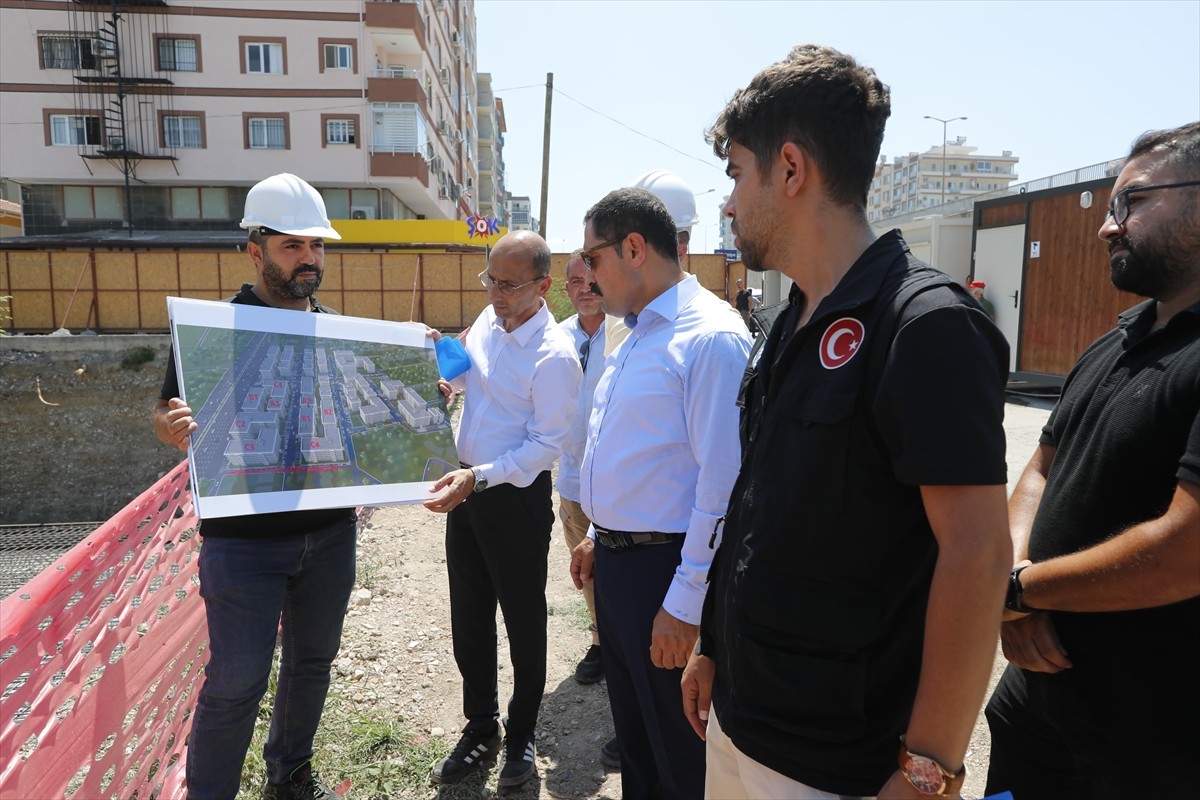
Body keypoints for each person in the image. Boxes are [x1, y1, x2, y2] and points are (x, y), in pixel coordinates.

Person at [681, 44, 1012, 799]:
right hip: (741, 723)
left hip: (835, 764)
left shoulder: (923, 325)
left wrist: (928, 768)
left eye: (736, 174)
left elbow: (978, 555)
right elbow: (758, 505)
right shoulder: (788, 318)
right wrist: (713, 647)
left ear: (791, 170)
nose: (728, 202)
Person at [984, 122, 1200, 798]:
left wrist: (1017, 591)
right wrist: (1016, 591)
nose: (1108, 228)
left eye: (1131, 203)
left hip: (1150, 748)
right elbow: (1042, 468)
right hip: (1037, 716)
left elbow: (1184, 551)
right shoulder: (1115, 343)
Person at [151, 173, 352, 800]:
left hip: (328, 535)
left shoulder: (338, 331)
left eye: (317, 246)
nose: (309, 259)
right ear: (254, 250)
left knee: (311, 664)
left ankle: (288, 772)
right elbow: (166, 410)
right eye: (293, 246)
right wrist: (169, 424)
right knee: (237, 680)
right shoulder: (213, 331)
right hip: (243, 544)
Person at [570, 187, 751, 799]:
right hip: (623, 568)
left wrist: (686, 600)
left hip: (668, 573)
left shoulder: (710, 339)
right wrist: (599, 534)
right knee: (638, 745)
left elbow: (722, 483)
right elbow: (638, 454)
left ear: (635, 248)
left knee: (682, 759)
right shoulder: (637, 333)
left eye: (592, 259)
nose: (586, 277)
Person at [423, 230, 581, 790]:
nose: (496, 293)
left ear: (542, 286)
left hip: (512, 499)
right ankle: (480, 726)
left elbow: (544, 447)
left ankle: (521, 737)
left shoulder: (555, 357)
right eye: (491, 279)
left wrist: (480, 477)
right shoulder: (490, 320)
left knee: (523, 621)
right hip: (467, 492)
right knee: (468, 615)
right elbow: (467, 370)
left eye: (509, 284)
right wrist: (441, 372)